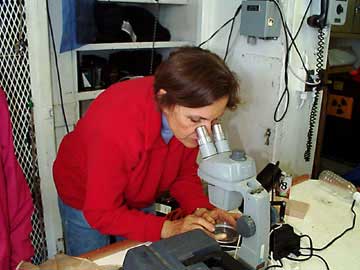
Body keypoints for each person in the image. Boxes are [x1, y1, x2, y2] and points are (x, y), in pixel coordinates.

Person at [53, 46, 241, 256]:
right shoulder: (115, 125)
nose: (204, 134)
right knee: (94, 261)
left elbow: (183, 174)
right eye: (196, 120)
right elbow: (101, 212)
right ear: (164, 100)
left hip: (138, 192)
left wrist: (202, 209)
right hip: (87, 196)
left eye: (214, 120)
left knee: (142, 258)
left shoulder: (187, 119)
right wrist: (168, 228)